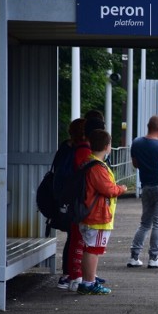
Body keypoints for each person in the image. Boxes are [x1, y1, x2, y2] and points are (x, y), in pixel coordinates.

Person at [57, 112, 107, 291]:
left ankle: (80, 275)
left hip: (73, 199)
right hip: (82, 203)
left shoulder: (70, 147)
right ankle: (76, 276)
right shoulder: (85, 151)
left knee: (77, 239)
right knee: (80, 241)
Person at [77, 129, 128, 295]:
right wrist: (122, 188)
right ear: (107, 147)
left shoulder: (88, 162)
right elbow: (108, 189)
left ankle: (87, 279)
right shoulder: (97, 168)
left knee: (90, 248)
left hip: (91, 215)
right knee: (93, 250)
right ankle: (89, 283)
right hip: (98, 216)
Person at [128, 115, 158, 268]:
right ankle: (154, 257)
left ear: (148, 126)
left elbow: (136, 164)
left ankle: (134, 256)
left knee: (145, 223)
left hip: (145, 187)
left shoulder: (137, 143)